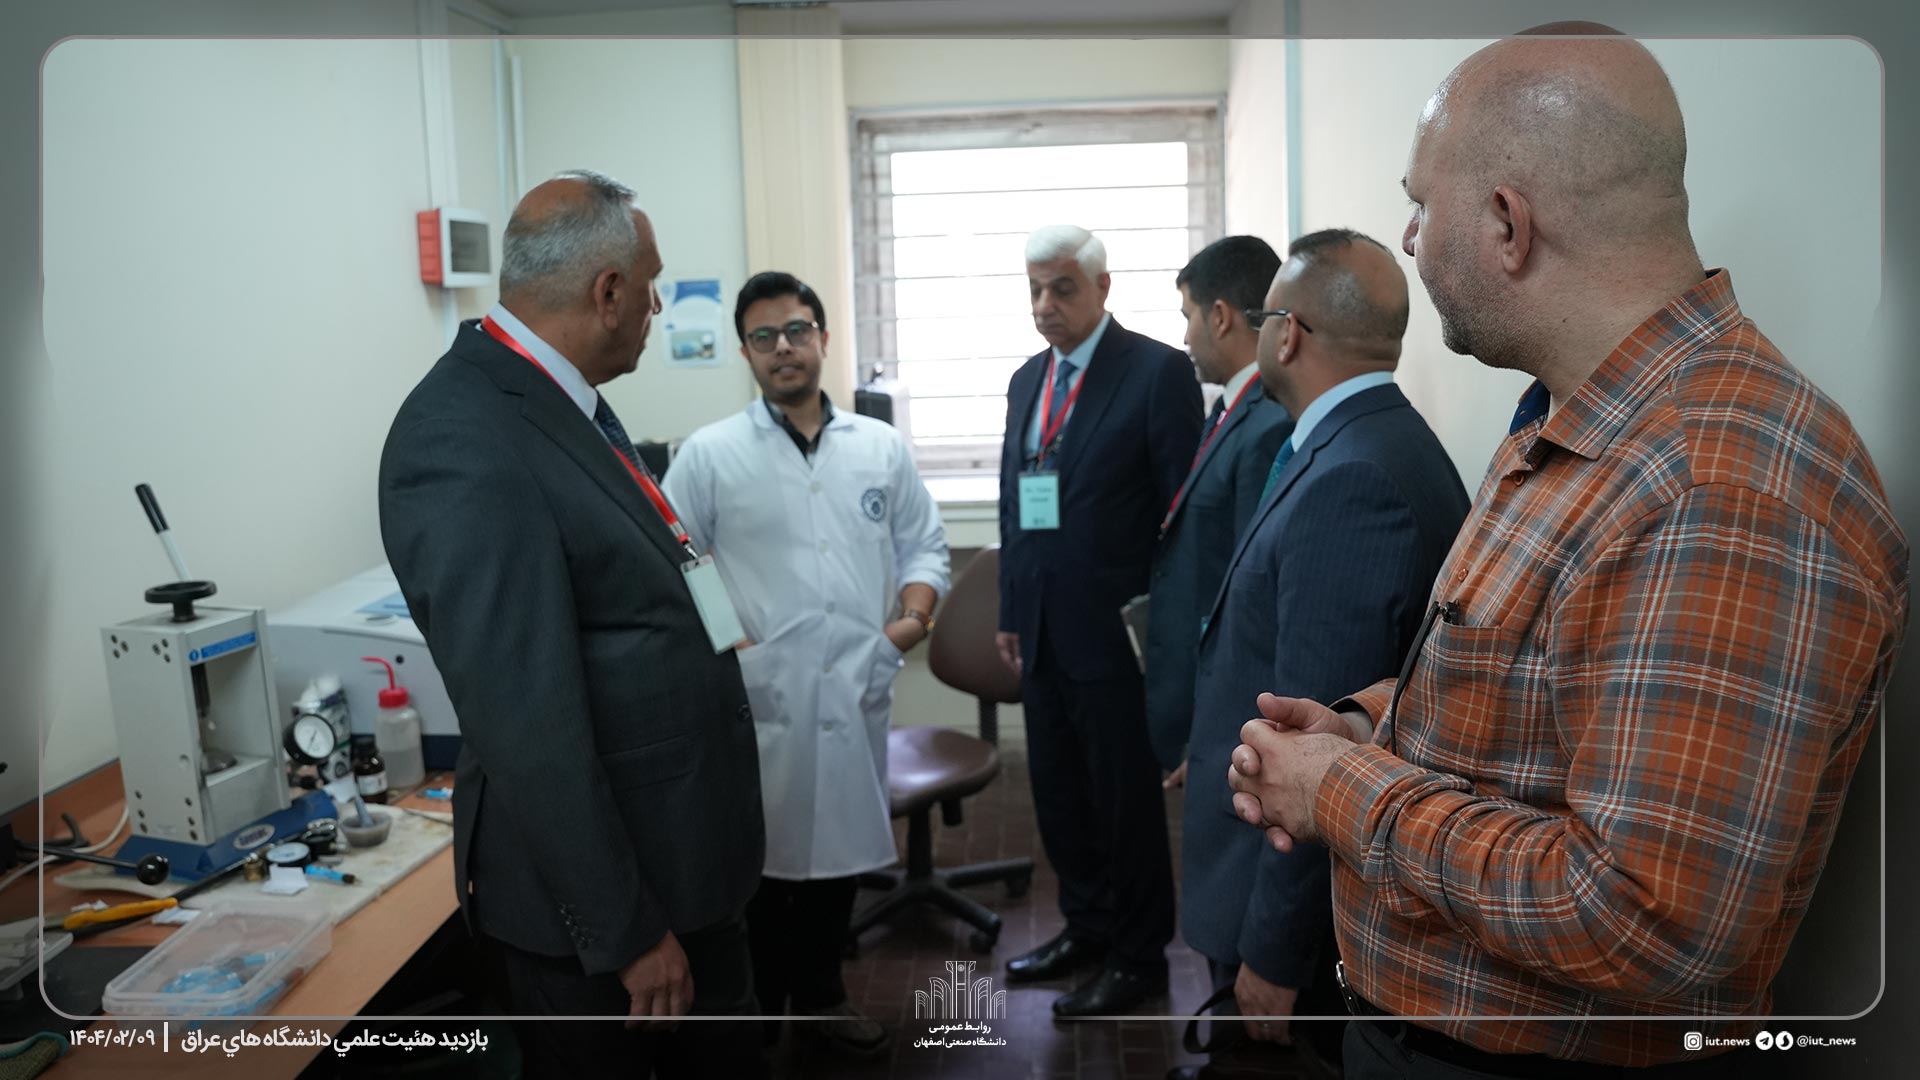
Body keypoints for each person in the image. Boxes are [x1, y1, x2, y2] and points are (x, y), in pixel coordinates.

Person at [1225, 32, 1911, 1077]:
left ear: (1507, 224)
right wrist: (1364, 727)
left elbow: (1644, 921)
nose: (1408, 239)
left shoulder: (1714, 486)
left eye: (1422, 205)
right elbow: (1528, 704)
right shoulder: (1582, 424)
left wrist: (1340, 791)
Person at [377, 170, 767, 1079]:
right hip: (609, 929)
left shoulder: (557, 398)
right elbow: (526, 726)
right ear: (609, 292)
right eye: (652, 285)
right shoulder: (463, 437)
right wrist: (625, 932)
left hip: (676, 866)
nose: (659, 306)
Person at [1174, 229, 1469, 1080]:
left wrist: (1273, 953)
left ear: (1288, 334)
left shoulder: (1353, 478)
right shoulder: (1364, 440)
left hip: (1294, 915)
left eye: (1266, 316)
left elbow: (1318, 750)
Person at [660, 270, 950, 1058]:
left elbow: (924, 546)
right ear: (746, 353)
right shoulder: (710, 454)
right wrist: (733, 646)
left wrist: (907, 626)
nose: (782, 347)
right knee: (762, 866)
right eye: (763, 336)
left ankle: (823, 998)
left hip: (857, 681)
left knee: (838, 857)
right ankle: (758, 1018)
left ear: (822, 337)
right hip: (760, 694)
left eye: (795, 330)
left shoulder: (879, 447)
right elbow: (677, 563)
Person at [995, 224, 1204, 1016]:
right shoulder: (1026, 379)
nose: (1045, 304)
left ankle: (1139, 956)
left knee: (1124, 805)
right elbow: (1016, 503)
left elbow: (1183, 519)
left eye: (1062, 288)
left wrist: (1172, 637)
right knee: (1058, 795)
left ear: (1102, 287)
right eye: (1035, 289)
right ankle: (1086, 927)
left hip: (1117, 635)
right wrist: (1011, 610)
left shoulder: (1156, 372)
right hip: (1041, 629)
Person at [1144, 235, 1294, 782]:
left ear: (1221, 316)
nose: (1186, 336)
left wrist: (1220, 727)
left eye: (1189, 316)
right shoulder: (1230, 410)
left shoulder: (1268, 422)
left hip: (1226, 711)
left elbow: (1252, 597)